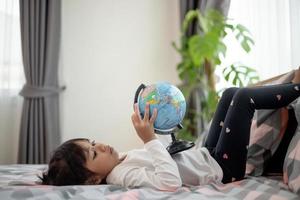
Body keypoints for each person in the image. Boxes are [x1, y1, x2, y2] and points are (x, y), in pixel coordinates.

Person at [40, 72, 300, 190]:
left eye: (93, 143)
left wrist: (156, 128)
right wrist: (150, 139)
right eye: (94, 154)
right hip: (224, 170)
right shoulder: (122, 175)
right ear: (93, 180)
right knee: (244, 98)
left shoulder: (120, 159)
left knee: (229, 94)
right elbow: (170, 182)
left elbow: (164, 158)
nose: (101, 147)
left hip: (206, 156)